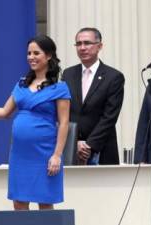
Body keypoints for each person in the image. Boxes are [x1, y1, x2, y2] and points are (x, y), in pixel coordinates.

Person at [0, 35, 70, 210]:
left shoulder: (60, 87)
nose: (31, 57)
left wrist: (57, 155)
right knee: (19, 202)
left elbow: (64, 123)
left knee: (45, 202)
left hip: (45, 152)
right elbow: (4, 112)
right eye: (28, 53)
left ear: (48, 56)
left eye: (36, 53)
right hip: (20, 153)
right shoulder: (21, 84)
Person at [62, 27, 125, 165]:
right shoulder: (67, 74)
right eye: (78, 44)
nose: (82, 48)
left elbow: (109, 117)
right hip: (71, 148)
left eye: (87, 43)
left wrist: (88, 145)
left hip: (100, 150)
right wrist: (75, 142)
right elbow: (63, 112)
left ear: (99, 46)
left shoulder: (113, 77)